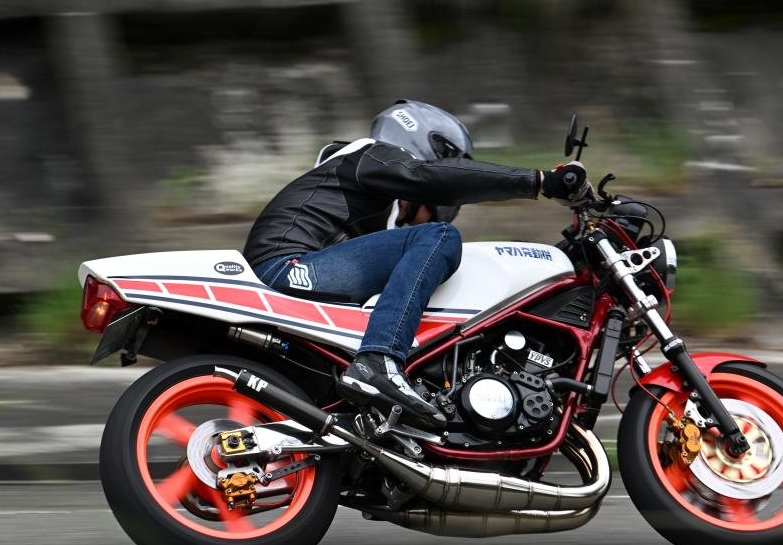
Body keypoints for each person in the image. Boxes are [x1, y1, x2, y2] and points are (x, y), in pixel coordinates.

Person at [244, 100, 590, 428]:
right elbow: (426, 177)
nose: (428, 216)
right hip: (287, 265)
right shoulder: (367, 155)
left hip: (302, 269)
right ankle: (378, 361)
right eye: (431, 207)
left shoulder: (366, 205)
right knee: (439, 237)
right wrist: (539, 181)